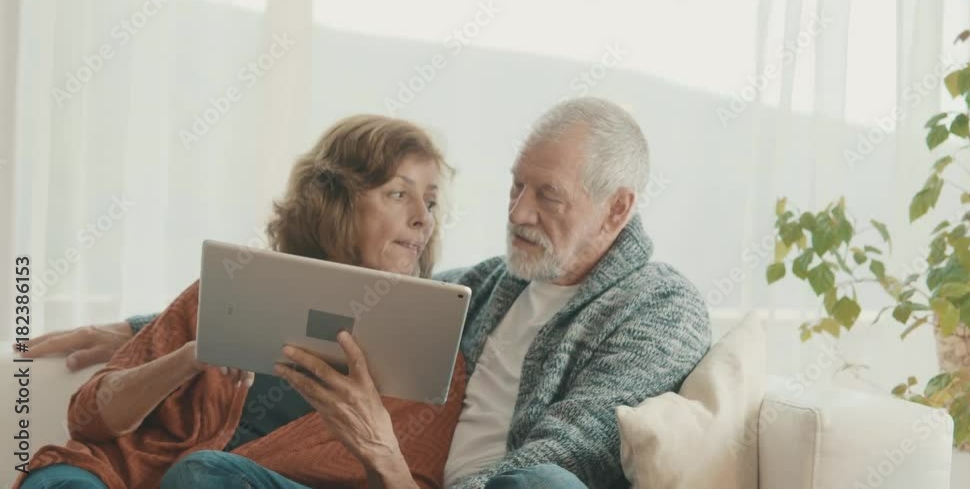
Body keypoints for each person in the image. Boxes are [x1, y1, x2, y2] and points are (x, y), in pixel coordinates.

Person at [21, 97, 713, 488]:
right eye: (515, 186)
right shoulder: (494, 283)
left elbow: (574, 445)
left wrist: (396, 464)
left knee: (543, 487)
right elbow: (346, 297)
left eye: (547, 195)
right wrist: (149, 325)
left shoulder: (659, 309)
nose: (518, 212)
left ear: (616, 209)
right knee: (204, 476)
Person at [16, 115, 468, 489]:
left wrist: (378, 444)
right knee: (58, 480)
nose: (422, 219)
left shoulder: (433, 353)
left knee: (204, 476)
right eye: (398, 193)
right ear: (337, 201)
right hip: (130, 477)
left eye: (430, 202)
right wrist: (189, 358)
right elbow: (88, 420)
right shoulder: (229, 286)